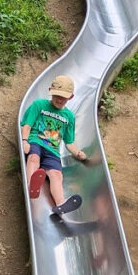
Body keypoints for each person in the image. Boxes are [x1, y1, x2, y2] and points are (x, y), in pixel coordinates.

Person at [20, 75, 87, 215]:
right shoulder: (39, 105)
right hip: (36, 140)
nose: (59, 99)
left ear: (71, 97)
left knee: (56, 175)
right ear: (50, 91)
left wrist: (77, 153)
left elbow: (69, 142)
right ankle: (31, 184)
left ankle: (61, 204)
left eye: (63, 97)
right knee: (33, 158)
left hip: (53, 150)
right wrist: (25, 141)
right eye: (56, 95)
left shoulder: (69, 117)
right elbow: (26, 125)